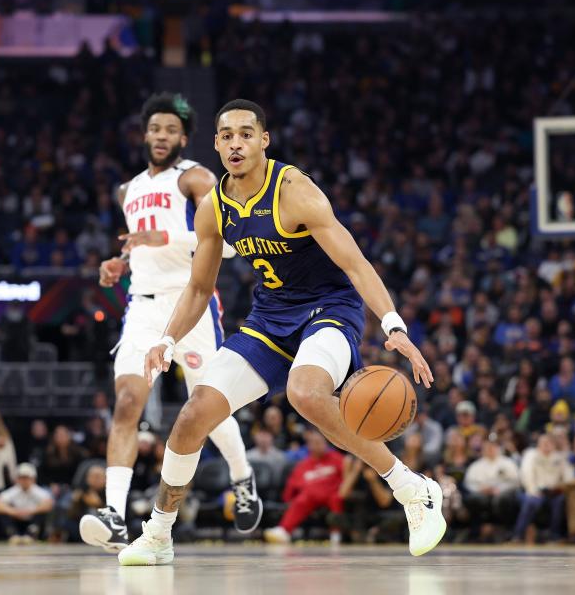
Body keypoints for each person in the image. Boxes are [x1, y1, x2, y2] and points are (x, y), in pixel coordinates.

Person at [120, 100, 443, 566]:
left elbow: (354, 263)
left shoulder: (294, 189)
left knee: (305, 392)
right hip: (270, 318)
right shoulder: (213, 209)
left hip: (329, 309)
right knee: (193, 415)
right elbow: (197, 287)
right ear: (215, 144)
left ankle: (413, 490)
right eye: (227, 135)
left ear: (263, 140)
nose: (236, 143)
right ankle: (158, 534)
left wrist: (394, 326)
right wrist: (167, 340)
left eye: (246, 134)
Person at [82, 93, 258, 552]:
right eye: (155, 129)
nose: (162, 136)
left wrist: (163, 237)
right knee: (125, 403)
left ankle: (242, 477)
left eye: (171, 131)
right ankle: (114, 516)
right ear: (146, 134)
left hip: (192, 303)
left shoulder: (197, 178)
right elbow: (136, 242)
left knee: (209, 407)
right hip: (142, 304)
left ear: (183, 137)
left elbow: (232, 240)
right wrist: (120, 260)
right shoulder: (129, 190)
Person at [263, 428, 344, 543]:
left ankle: (336, 534)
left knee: (337, 499)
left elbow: (346, 476)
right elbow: (292, 485)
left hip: (331, 493)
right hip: (311, 496)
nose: (318, 446)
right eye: (314, 443)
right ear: (309, 445)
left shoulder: (337, 458)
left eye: (320, 442)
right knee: (300, 500)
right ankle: (284, 531)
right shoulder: (303, 465)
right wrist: (288, 499)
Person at [512, 433, 571, 543]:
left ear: (554, 445)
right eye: (543, 443)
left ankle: (555, 535)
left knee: (560, 501)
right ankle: (518, 535)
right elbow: (527, 474)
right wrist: (533, 490)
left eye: (549, 443)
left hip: (554, 492)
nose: (546, 446)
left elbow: (568, 476)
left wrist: (561, 488)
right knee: (531, 502)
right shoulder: (531, 455)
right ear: (538, 444)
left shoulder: (560, 458)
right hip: (535, 490)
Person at [463, 437, 521, 541]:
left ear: (498, 448)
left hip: (503, 493)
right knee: (473, 499)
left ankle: (504, 529)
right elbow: (469, 483)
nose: (490, 450)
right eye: (487, 447)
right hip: (482, 493)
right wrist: (480, 489)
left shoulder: (507, 463)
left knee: (503, 500)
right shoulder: (476, 465)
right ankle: (477, 531)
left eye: (493, 447)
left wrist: (499, 489)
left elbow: (515, 481)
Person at [0, 463, 53, 544]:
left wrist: (31, 511)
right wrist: (13, 511)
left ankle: (31, 535)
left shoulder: (38, 491)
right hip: (17, 520)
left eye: (27, 478)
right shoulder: (13, 491)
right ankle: (12, 535)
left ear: (33, 479)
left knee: (41, 514)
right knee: (3, 513)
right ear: (17, 479)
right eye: (22, 478)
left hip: (32, 520)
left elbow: (49, 504)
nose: (24, 481)